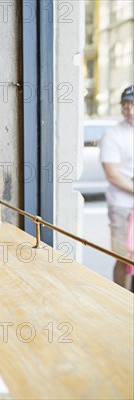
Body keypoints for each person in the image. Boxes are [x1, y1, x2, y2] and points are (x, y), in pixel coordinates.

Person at [100, 84, 134, 290]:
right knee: (123, 256)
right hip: (122, 206)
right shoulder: (113, 134)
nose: (128, 110)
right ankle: (120, 297)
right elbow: (112, 174)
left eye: (132, 104)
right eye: (124, 105)